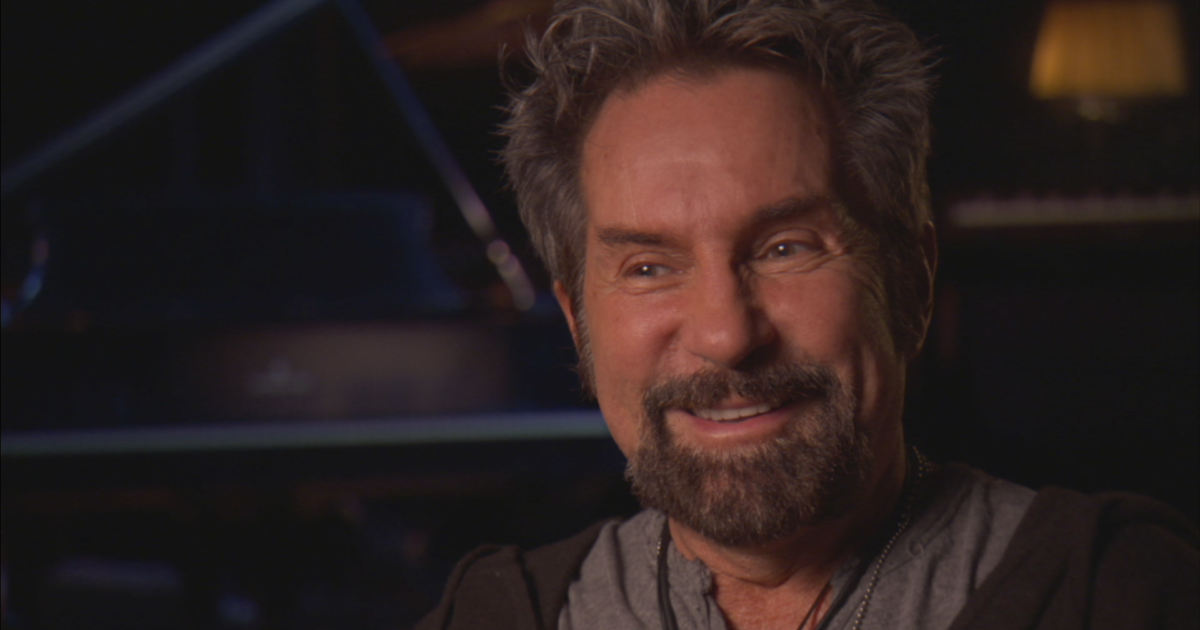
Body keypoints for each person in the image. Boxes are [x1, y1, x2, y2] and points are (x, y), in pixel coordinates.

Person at [415, 0, 1199, 628]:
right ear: (578, 323)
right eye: (649, 268)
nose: (727, 335)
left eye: (785, 248)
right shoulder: (496, 615)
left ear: (912, 280)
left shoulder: (1118, 593)